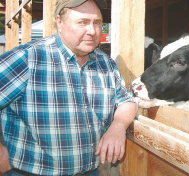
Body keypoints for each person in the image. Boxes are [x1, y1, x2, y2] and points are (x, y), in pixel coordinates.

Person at [0, 0, 137, 175]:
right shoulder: (28, 58)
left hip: (91, 172)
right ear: (59, 22)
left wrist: (118, 126)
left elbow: (126, 101)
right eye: (82, 22)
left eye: (97, 23)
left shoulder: (106, 63)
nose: (92, 31)